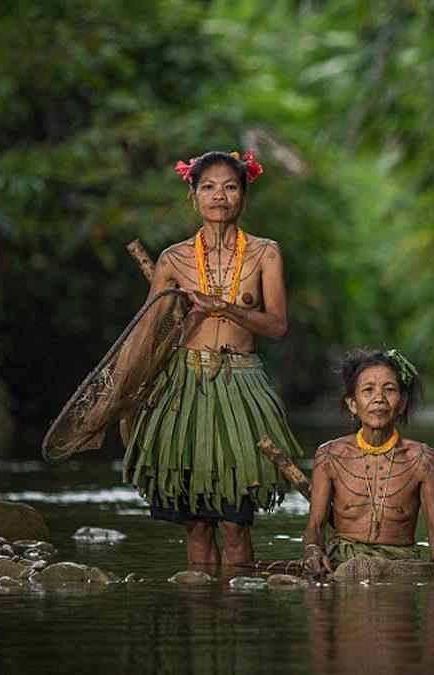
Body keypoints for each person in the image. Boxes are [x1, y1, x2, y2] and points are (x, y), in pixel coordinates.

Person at [121, 150, 302, 567]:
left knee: (234, 523)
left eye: (230, 186)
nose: (219, 196)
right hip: (183, 387)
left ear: (244, 196)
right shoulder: (172, 259)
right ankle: (201, 616)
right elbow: (149, 335)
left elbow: (277, 325)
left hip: (242, 386)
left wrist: (225, 308)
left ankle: (239, 618)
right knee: (197, 524)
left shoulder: (265, 253)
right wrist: (186, 317)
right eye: (208, 187)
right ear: (193, 196)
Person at [301, 349, 434, 580]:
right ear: (353, 404)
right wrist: (312, 552)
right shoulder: (329, 456)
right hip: (342, 563)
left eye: (390, 389)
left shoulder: (422, 459)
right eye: (368, 390)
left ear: (403, 402)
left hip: (399, 565)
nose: (379, 398)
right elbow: (314, 528)